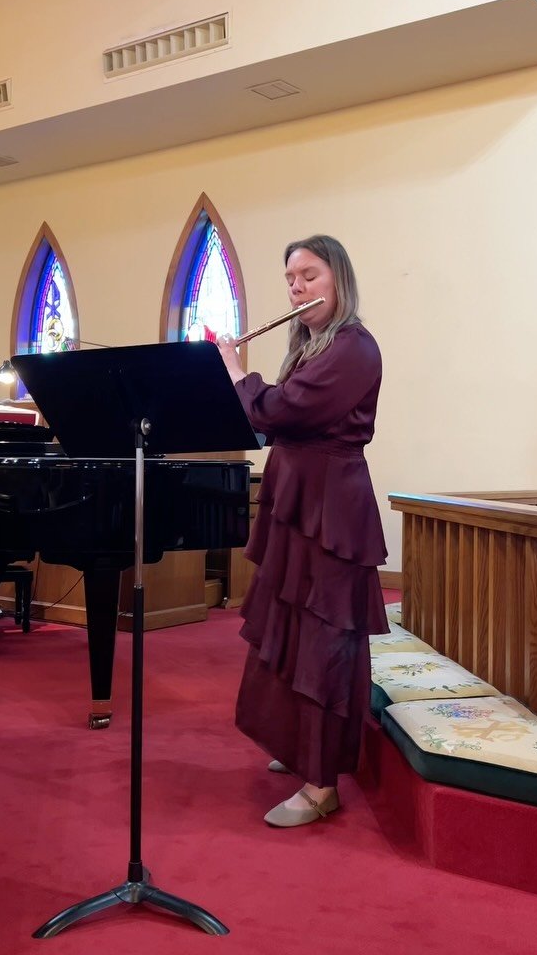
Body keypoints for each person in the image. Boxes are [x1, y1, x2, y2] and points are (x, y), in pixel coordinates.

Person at [216, 234, 389, 828]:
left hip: (330, 512)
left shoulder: (353, 347)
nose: (297, 288)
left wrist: (238, 371)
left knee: (321, 638)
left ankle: (322, 785)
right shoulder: (313, 345)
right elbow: (274, 415)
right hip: (299, 502)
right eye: (290, 278)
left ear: (338, 278)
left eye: (309, 276)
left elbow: (281, 410)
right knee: (291, 628)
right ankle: (299, 748)